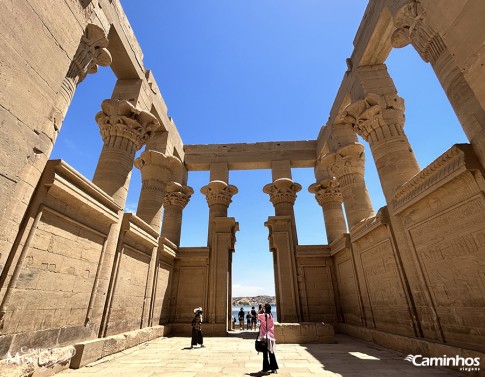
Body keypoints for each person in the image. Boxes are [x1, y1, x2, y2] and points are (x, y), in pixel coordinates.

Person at [258, 303, 278, 374]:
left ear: (265, 308)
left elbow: (258, 315)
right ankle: (274, 368)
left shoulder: (264, 316)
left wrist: (261, 309)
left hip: (265, 337)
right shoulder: (271, 315)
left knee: (265, 354)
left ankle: (265, 370)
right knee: (271, 353)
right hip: (271, 336)